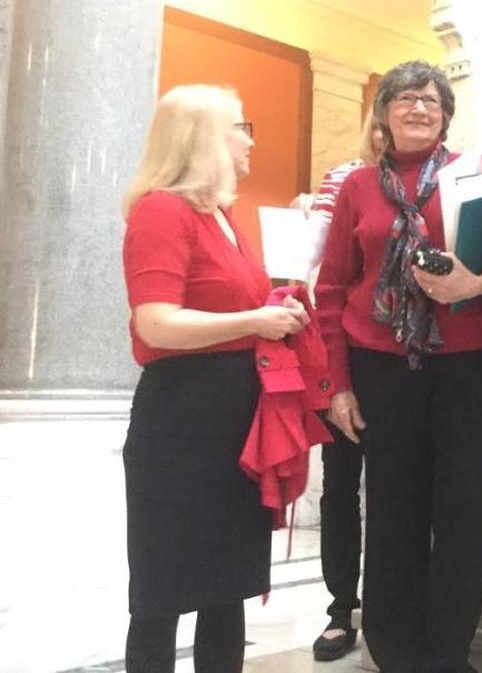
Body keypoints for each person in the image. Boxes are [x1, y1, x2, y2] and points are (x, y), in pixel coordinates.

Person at [316, 60, 482, 673]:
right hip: (381, 367)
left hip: (470, 365)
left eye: (432, 101)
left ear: (446, 116)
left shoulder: (478, 172)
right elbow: (331, 290)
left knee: (464, 506)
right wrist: (337, 385)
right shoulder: (357, 187)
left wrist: (478, 281)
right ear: (382, 112)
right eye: (406, 99)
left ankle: (447, 649)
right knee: (392, 505)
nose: (419, 109)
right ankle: (394, 645)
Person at [122, 85, 312, 672]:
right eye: (241, 124)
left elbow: (230, 306)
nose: (251, 137)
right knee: (165, 589)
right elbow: (155, 323)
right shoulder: (161, 209)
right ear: (202, 135)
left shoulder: (222, 215)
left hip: (235, 415)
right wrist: (258, 318)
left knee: (226, 585)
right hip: (182, 420)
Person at [305, 111, 383, 662]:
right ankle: (340, 606)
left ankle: (382, 602)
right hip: (343, 348)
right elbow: (320, 265)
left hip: (399, 358)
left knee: (392, 491)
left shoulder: (434, 180)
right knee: (340, 487)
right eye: (378, 124)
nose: (385, 133)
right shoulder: (345, 178)